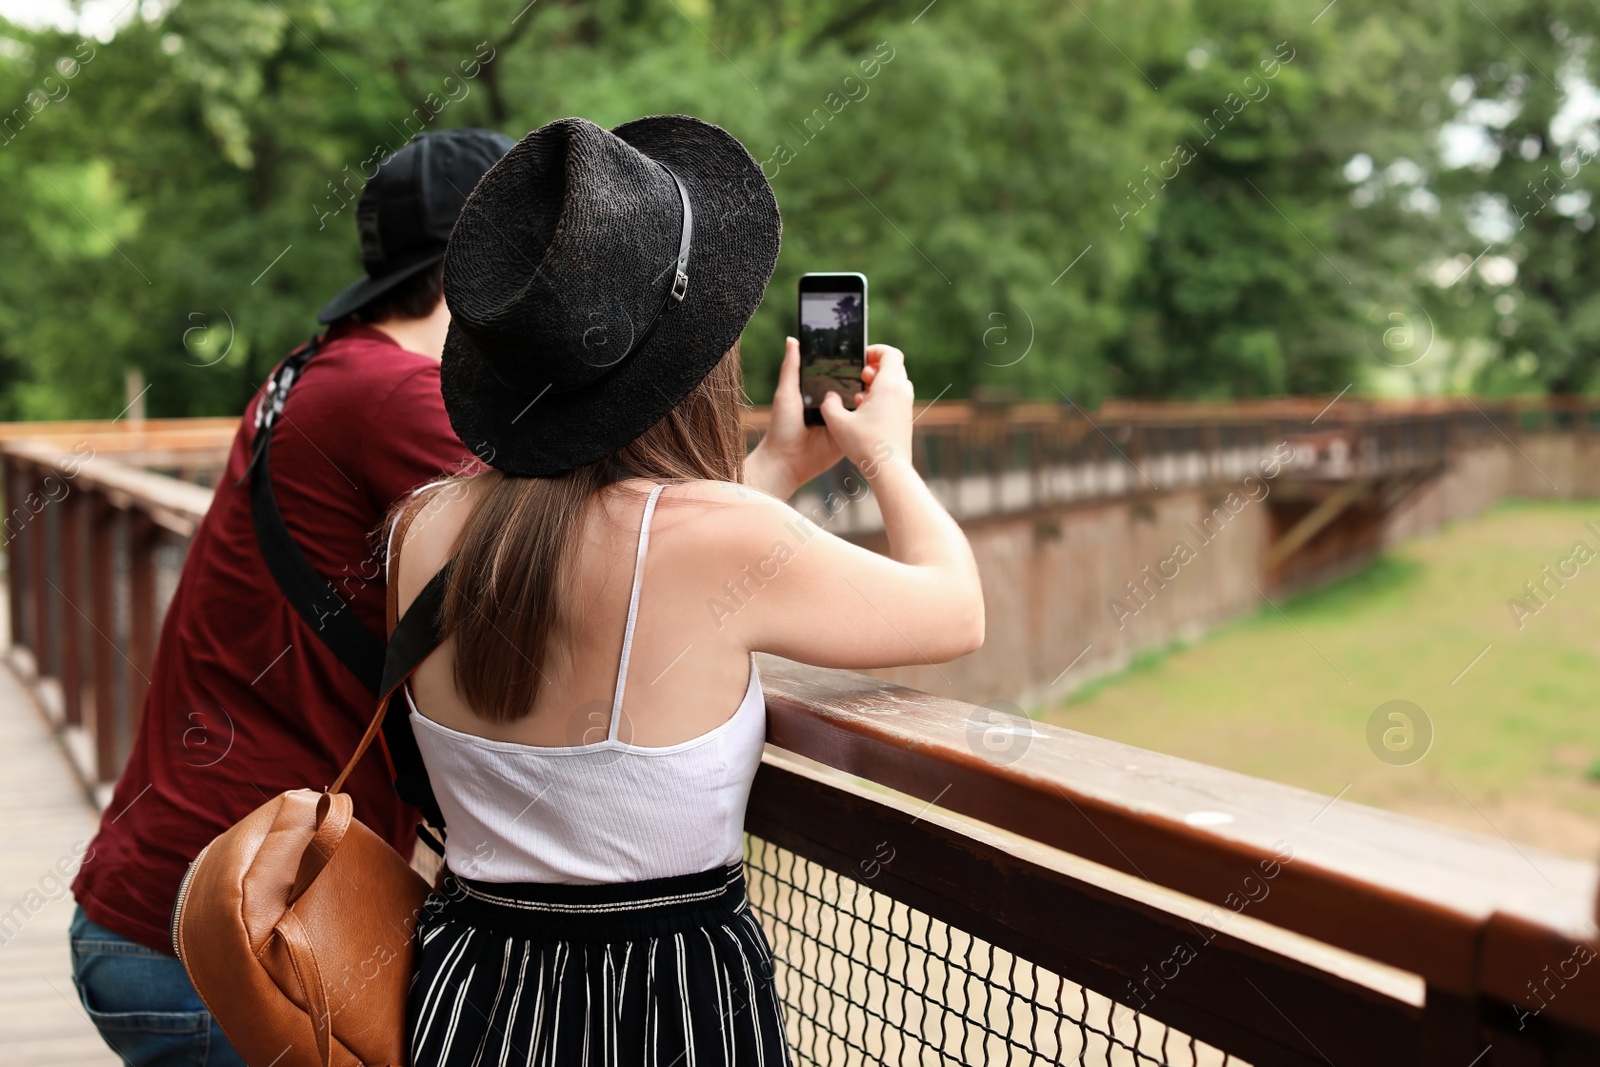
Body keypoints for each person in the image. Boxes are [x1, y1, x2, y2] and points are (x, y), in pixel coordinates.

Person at [392, 115, 984, 1066]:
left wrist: (778, 464)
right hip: (663, 1006)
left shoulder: (422, 529)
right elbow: (955, 608)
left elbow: (615, 563)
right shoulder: (722, 537)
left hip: (471, 993)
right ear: (696, 357)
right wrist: (887, 458)